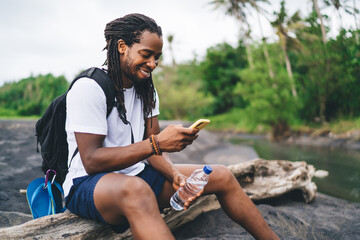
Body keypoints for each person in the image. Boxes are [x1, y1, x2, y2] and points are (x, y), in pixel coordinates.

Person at [63, 13, 279, 240]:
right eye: (146, 55)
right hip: (87, 184)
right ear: (122, 46)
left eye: (157, 57)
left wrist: (174, 174)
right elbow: (92, 160)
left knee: (222, 175)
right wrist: (156, 144)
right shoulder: (90, 87)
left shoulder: (146, 89)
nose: (152, 64)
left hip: (136, 175)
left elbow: (154, 152)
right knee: (137, 190)